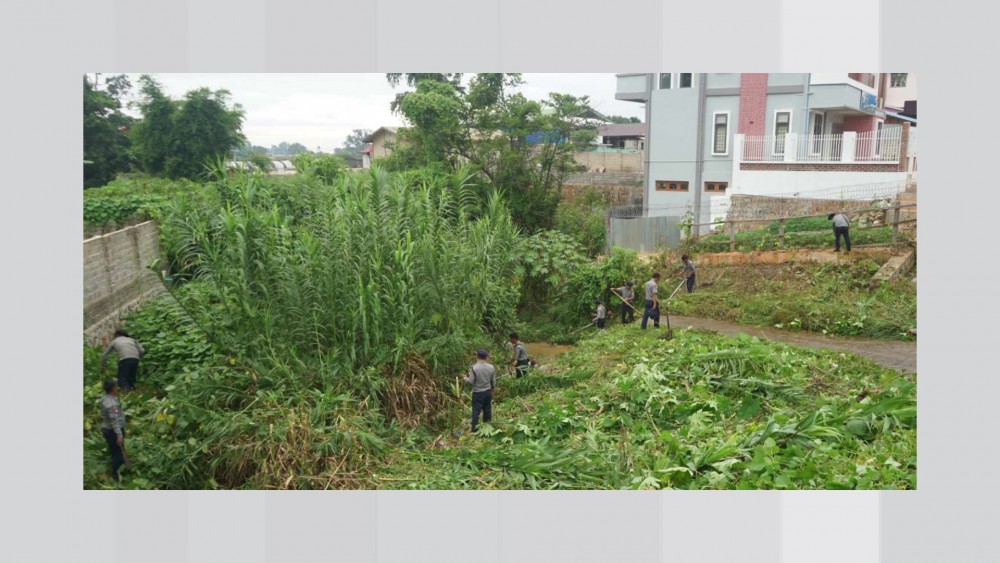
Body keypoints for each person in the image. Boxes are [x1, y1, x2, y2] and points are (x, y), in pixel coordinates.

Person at [99, 379, 128, 481]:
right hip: (113, 431)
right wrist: (119, 435)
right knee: (117, 453)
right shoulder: (112, 404)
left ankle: (121, 467)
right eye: (116, 386)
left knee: (115, 450)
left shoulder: (104, 398)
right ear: (113, 389)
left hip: (107, 429)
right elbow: (114, 421)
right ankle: (116, 474)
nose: (118, 388)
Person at [463, 349, 497, 433]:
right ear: (486, 357)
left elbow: (471, 381)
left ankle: (474, 430)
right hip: (488, 391)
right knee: (487, 410)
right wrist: (493, 389)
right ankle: (487, 428)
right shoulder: (491, 367)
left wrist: (465, 378)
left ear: (477, 356)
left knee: (476, 412)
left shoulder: (474, 368)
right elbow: (493, 381)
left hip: (477, 393)